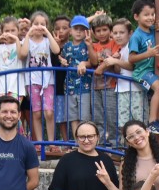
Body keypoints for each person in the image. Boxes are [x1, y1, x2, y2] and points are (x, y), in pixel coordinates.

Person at [127, 0, 159, 135]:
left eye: (153, 14)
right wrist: (147, 53)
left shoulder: (155, 29)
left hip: (155, 70)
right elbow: (131, 59)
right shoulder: (136, 36)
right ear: (136, 17)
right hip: (142, 72)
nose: (151, 17)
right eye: (146, 14)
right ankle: (152, 121)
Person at [20, 11, 60, 145]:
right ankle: (40, 143)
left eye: (42, 24)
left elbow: (56, 50)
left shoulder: (48, 41)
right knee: (36, 114)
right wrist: (28, 33)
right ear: (31, 25)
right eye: (36, 24)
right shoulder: (27, 41)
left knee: (49, 112)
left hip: (47, 81)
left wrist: (47, 32)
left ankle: (52, 142)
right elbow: (23, 53)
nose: (39, 26)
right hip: (32, 81)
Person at [59, 15, 98, 135]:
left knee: (84, 116)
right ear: (70, 30)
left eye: (82, 29)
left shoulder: (88, 44)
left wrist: (84, 63)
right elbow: (62, 59)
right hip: (69, 85)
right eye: (76, 28)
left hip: (84, 86)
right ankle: (77, 142)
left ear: (87, 31)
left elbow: (93, 62)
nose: (79, 31)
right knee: (72, 116)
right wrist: (62, 60)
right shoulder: (67, 46)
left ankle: (85, 137)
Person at [110, 19, 146, 143]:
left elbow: (132, 66)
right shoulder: (121, 50)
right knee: (123, 122)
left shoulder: (131, 47)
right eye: (115, 33)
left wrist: (115, 61)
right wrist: (116, 60)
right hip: (121, 89)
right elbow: (118, 71)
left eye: (122, 32)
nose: (118, 35)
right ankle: (126, 148)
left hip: (135, 89)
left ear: (130, 33)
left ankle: (140, 147)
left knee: (138, 121)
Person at [89, 13, 120, 146]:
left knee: (111, 116)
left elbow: (114, 58)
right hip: (95, 86)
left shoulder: (114, 43)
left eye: (104, 30)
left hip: (110, 85)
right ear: (94, 32)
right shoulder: (94, 45)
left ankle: (115, 144)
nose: (101, 33)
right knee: (97, 117)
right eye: (98, 30)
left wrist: (102, 67)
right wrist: (90, 45)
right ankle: (100, 143)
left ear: (110, 30)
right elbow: (93, 61)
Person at [0, 16, 25, 101]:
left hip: (17, 86)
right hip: (3, 85)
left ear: (18, 31)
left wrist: (16, 39)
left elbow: (21, 55)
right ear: (2, 32)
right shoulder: (1, 47)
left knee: (14, 110)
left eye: (13, 30)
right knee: (4, 109)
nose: (10, 33)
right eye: (7, 31)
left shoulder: (21, 44)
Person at [51, 15, 72, 145]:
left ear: (70, 29)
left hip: (73, 85)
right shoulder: (51, 47)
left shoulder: (74, 45)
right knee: (61, 116)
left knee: (75, 115)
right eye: (57, 28)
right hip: (58, 85)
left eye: (64, 28)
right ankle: (65, 142)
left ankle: (75, 140)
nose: (61, 31)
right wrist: (56, 50)